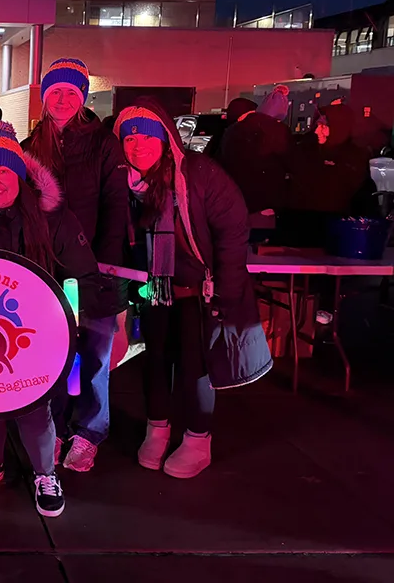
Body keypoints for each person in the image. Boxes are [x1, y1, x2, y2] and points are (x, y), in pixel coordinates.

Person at [0, 121, 98, 517]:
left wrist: (76, 329)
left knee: (34, 408)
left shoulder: (53, 220)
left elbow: (83, 276)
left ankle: (45, 472)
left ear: (21, 176)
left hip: (34, 334)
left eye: (4, 170)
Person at [115, 99, 272, 479]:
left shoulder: (199, 174)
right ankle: (158, 428)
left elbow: (233, 230)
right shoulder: (127, 183)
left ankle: (198, 439)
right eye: (129, 138)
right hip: (155, 290)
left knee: (195, 366)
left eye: (147, 137)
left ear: (166, 138)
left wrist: (227, 291)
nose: (138, 145)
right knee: (154, 362)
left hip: (198, 290)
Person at [23, 58, 130, 474]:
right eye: (56, 92)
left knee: (96, 354)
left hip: (96, 267)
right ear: (46, 98)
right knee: (54, 354)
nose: (63, 99)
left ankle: (89, 432)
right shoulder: (33, 142)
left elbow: (115, 205)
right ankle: (57, 427)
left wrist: (107, 264)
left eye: (72, 92)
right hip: (47, 268)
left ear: (82, 97)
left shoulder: (103, 142)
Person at [217, 86, 292, 214]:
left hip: (236, 197)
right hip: (264, 201)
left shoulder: (234, 129)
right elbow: (291, 162)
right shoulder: (278, 131)